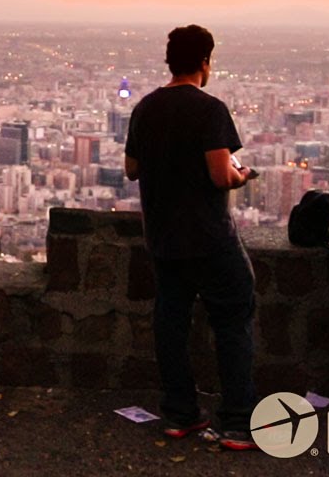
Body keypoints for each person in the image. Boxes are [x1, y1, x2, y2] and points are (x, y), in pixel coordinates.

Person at [124, 25, 259, 451]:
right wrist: (242, 176)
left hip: (163, 237)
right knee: (234, 319)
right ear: (205, 61)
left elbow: (131, 169)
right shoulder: (210, 109)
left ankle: (180, 413)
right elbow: (220, 175)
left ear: (170, 61)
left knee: (171, 322)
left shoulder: (146, 108)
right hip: (208, 235)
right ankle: (237, 423)